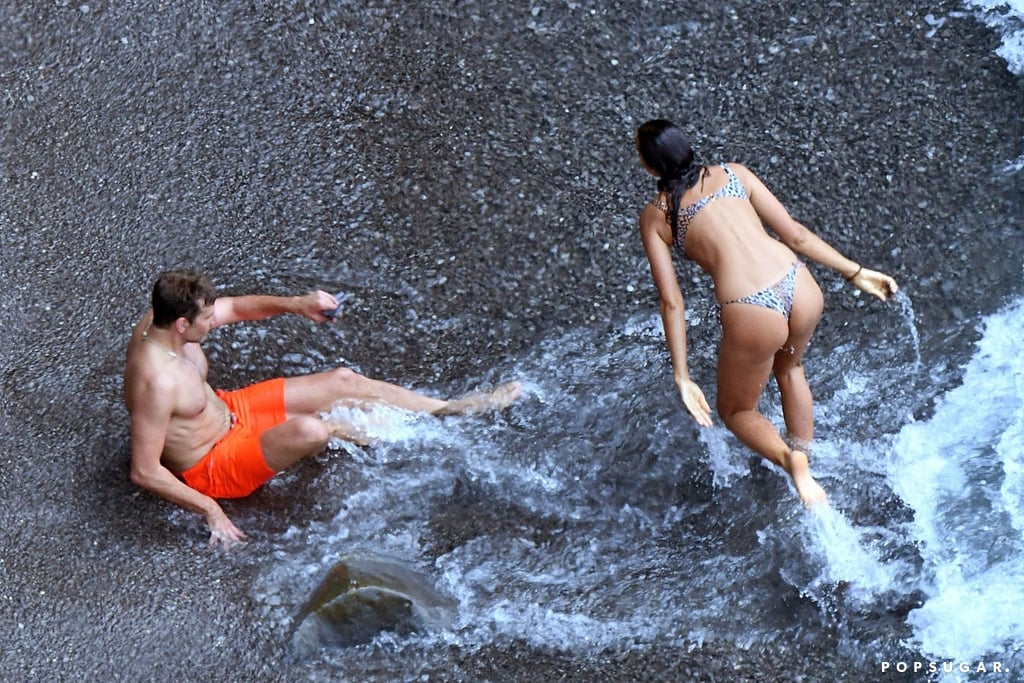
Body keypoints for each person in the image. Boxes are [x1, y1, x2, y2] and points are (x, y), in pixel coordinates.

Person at [124, 270, 521, 547]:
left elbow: (237, 308)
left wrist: (298, 304)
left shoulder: (161, 318)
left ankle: (449, 410)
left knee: (343, 381)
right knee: (311, 430)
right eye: (206, 320)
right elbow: (144, 470)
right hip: (213, 463)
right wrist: (210, 510)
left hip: (230, 410)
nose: (214, 322)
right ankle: (372, 431)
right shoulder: (156, 382)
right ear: (180, 324)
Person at [635, 119, 898, 507]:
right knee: (790, 369)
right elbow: (795, 235)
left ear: (650, 167)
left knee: (737, 409)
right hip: (799, 284)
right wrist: (855, 271)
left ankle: (791, 463)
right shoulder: (734, 173)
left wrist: (683, 375)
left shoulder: (657, 216)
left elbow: (672, 301)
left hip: (752, 308)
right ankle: (809, 462)